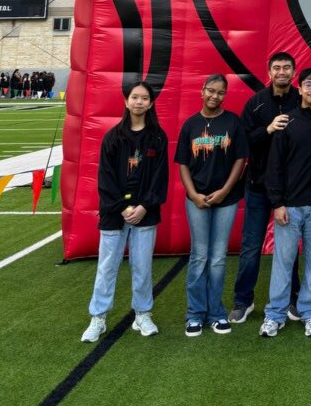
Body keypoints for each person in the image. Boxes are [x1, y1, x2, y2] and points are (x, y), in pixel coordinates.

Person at [81, 81, 169, 342]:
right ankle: (98, 318)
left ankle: (142, 314)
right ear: (126, 101)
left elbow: (160, 177)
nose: (139, 102)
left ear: (151, 103)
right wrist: (122, 207)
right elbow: (105, 178)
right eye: (134, 97)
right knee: (107, 268)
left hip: (145, 213)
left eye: (144, 98)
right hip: (114, 214)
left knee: (142, 267)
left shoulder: (158, 137)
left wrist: (144, 206)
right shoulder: (113, 137)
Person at [261, 67, 311, 338]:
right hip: (290, 207)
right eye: (308, 84)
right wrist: (278, 203)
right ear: (300, 88)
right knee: (283, 263)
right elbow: (274, 167)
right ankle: (275, 314)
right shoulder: (287, 121)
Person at [228, 51, 302, 325]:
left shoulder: (301, 100)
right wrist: (268, 129)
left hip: (289, 189)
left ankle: (293, 298)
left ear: (294, 71)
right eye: (277, 68)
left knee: (290, 248)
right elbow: (243, 142)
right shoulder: (256, 103)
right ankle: (243, 300)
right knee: (251, 246)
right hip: (258, 186)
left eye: (286, 67)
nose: (282, 72)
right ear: (269, 72)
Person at [176, 74, 248, 337]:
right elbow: (183, 163)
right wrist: (193, 194)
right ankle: (195, 314)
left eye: (220, 92)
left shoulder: (233, 122)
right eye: (211, 90)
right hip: (197, 199)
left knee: (218, 258)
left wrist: (225, 191)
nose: (215, 96)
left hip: (225, 200)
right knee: (199, 256)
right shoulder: (190, 125)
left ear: (225, 95)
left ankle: (216, 313)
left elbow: (241, 159)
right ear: (202, 90)